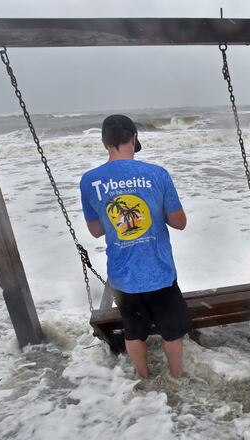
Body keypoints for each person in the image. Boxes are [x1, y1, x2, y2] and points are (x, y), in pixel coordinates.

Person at [80, 114, 191, 379]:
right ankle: (176, 377)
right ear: (134, 138)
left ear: (105, 143)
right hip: (160, 272)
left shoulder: (89, 180)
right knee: (172, 331)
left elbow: (95, 231)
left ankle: (144, 376)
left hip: (123, 277)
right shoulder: (156, 174)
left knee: (133, 330)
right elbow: (179, 222)